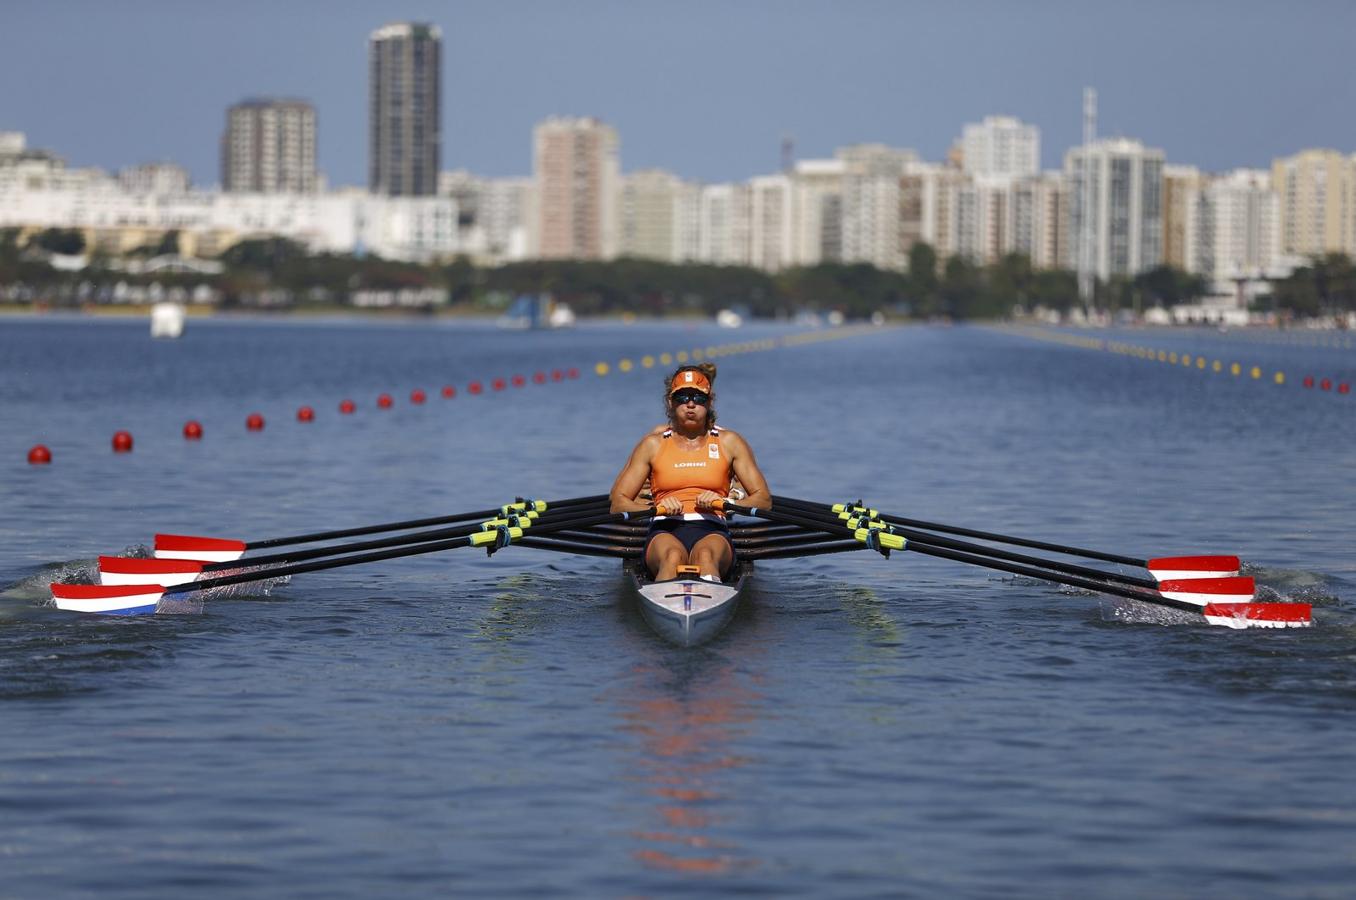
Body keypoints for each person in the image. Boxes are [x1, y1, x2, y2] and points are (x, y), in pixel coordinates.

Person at [610, 364, 771, 582]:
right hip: (664, 528)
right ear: (670, 402)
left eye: (699, 398)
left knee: (705, 556)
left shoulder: (730, 442)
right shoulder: (652, 445)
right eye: (682, 398)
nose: (691, 404)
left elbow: (763, 500)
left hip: (712, 527)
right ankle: (669, 606)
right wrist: (656, 508)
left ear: (710, 402)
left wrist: (726, 503)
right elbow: (617, 503)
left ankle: (704, 603)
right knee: (672, 557)